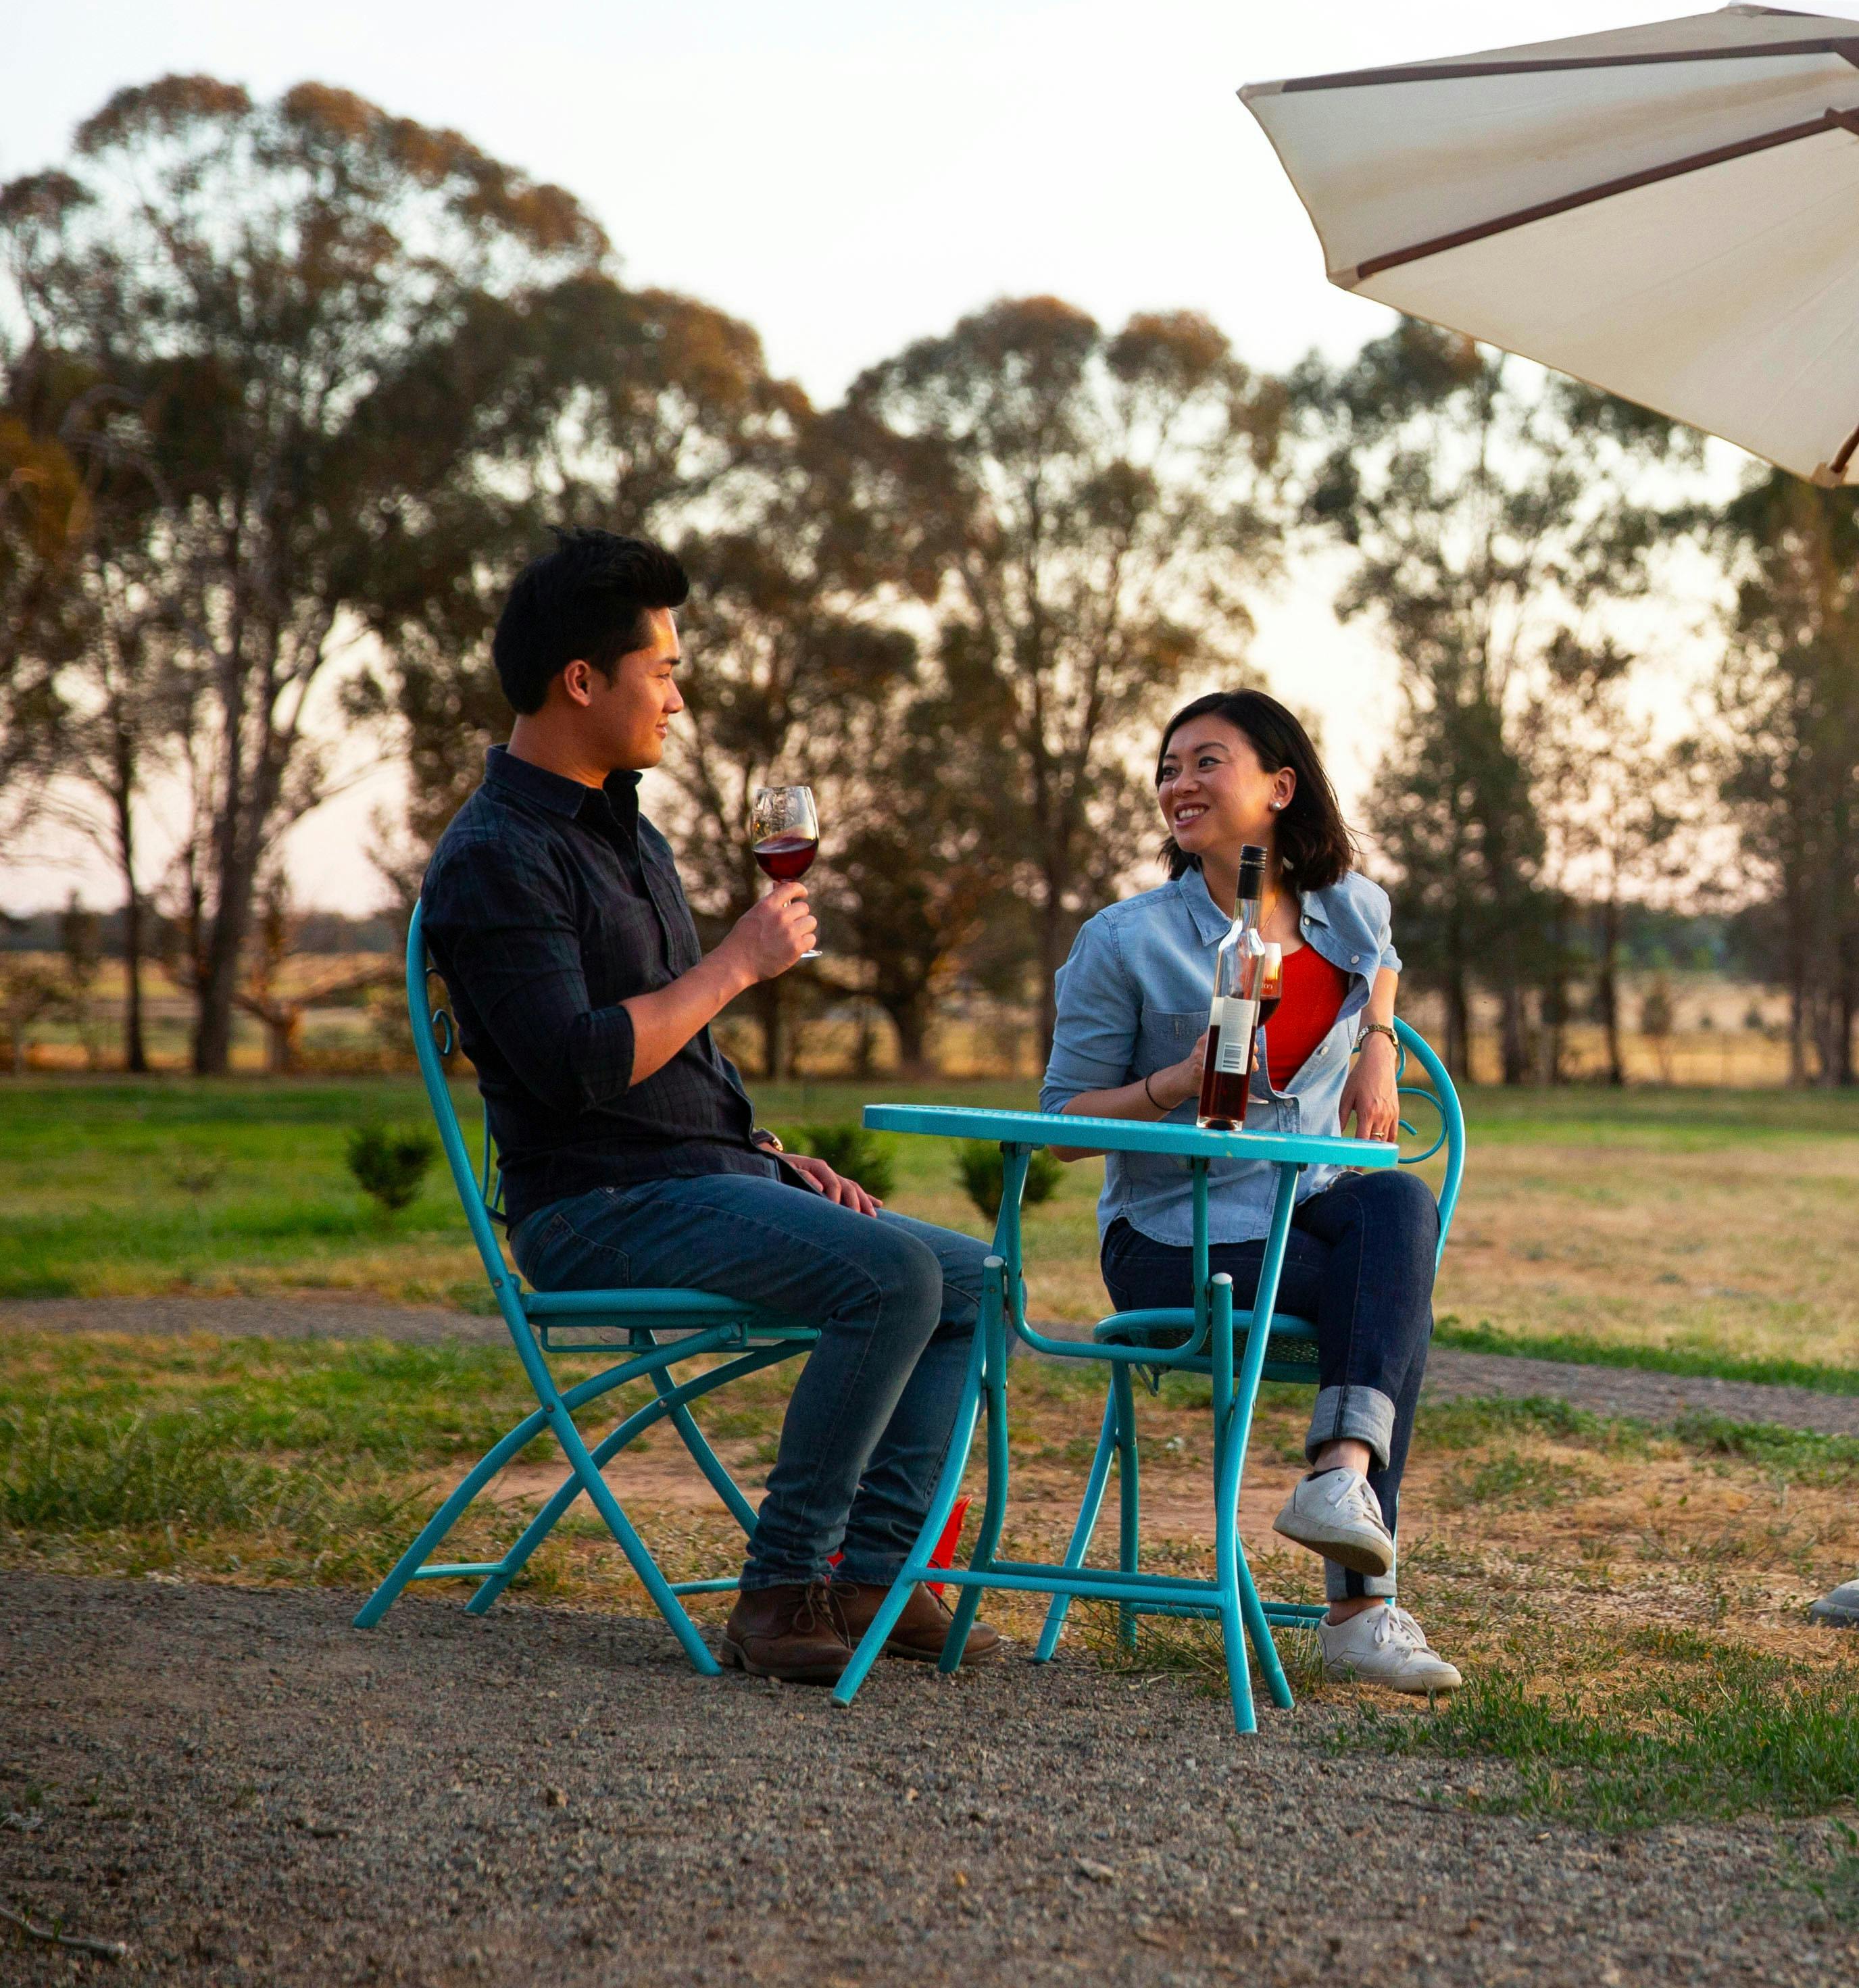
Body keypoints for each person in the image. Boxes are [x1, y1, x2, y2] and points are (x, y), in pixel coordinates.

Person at [420, 529, 1003, 1685]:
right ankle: (781, 1592)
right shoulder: (497, 856)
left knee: (974, 1277)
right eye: (665, 673)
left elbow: (679, 1053)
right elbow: (577, 1068)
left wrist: (769, 1156)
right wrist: (737, 962)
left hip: (695, 1178)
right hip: (594, 1206)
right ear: (581, 680)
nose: (679, 700)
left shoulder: (632, 833)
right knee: (893, 1279)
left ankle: (878, 1577)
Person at [1042, 689, 1458, 1695]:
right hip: (1172, 1236)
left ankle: (1340, 1479)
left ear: (1279, 787)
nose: (1177, 783)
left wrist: (1378, 1040)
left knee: (1399, 1207)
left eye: (1205, 761)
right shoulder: (1125, 940)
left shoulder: (1349, 905)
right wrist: (1174, 1084)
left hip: (1305, 1206)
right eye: (1168, 767)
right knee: (1388, 1294)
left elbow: (1382, 959)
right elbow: (1060, 1126)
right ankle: (1360, 1607)